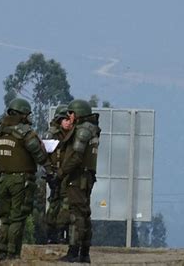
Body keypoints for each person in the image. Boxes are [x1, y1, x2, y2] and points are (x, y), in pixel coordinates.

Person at [0, 98, 51, 261]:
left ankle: (2, 253)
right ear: (22, 115)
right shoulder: (25, 133)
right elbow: (39, 154)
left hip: (3, 179)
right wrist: (50, 168)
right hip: (21, 181)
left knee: (5, 219)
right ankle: (13, 254)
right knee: (17, 217)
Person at [57, 99, 101, 263]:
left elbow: (76, 156)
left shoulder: (83, 131)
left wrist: (61, 172)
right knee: (84, 213)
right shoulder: (92, 130)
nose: (69, 117)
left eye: (71, 113)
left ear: (78, 114)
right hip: (87, 176)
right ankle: (84, 252)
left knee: (76, 214)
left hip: (78, 177)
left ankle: (74, 251)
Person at [42, 104, 72, 244]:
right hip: (54, 173)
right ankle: (51, 233)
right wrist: (49, 172)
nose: (68, 122)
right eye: (65, 119)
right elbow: (44, 155)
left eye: (69, 119)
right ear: (59, 120)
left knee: (66, 204)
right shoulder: (51, 134)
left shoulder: (73, 134)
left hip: (68, 174)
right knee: (54, 203)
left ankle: (62, 233)